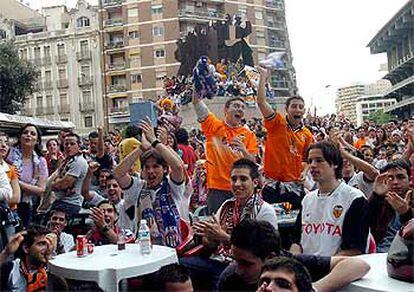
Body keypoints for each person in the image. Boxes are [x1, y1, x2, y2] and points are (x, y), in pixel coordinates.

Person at [181, 159, 277, 290]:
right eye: (234, 179)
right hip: (217, 259)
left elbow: (262, 252)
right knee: (179, 268)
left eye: (243, 179)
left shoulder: (265, 210)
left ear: (255, 182)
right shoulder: (227, 205)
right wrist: (210, 236)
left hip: (241, 265)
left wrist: (223, 237)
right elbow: (209, 245)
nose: (237, 184)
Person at [218, 219, 370, 292]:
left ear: (270, 258)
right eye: (235, 261)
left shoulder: (293, 266)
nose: (238, 269)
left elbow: (358, 265)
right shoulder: (230, 278)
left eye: (282, 284)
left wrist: (313, 289)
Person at [114, 120, 187, 247]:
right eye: (146, 167)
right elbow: (118, 173)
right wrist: (141, 148)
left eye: (155, 166)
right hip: (142, 248)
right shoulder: (138, 187)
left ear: (164, 169)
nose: (150, 171)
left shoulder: (172, 185)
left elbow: (178, 167)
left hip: (170, 249)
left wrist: (155, 142)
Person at [290, 141, 369, 256]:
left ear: (335, 164)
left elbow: (354, 250)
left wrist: (323, 266)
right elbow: (296, 241)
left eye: (319, 160)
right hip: (306, 267)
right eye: (310, 161)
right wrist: (296, 261)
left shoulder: (354, 198)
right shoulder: (307, 199)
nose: (312, 165)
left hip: (337, 268)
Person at [192, 92, 258, 214]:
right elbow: (196, 103)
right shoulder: (213, 126)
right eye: (236, 106)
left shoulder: (249, 135)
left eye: (243, 107)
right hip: (217, 189)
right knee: (218, 226)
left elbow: (253, 163)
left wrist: (243, 149)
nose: (240, 109)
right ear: (226, 110)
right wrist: (197, 85)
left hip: (242, 187)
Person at [6, 124, 48, 228]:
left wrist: (16, 182)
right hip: (6, 202)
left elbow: (41, 190)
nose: (28, 135)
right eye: (25, 133)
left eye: (32, 134)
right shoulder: (8, 154)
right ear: (20, 137)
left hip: (26, 205)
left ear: (37, 140)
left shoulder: (40, 162)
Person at [0, 227, 68, 291]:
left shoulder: (49, 268)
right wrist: (6, 253)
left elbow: (64, 288)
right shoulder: (11, 268)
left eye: (48, 244)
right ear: (26, 248)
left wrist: (49, 261)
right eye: (41, 244)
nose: (47, 248)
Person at [369, 159, 414, 252]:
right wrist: (376, 196)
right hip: (378, 254)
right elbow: (364, 223)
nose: (395, 182)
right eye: (390, 178)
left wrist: (406, 213)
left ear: (410, 179)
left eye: (400, 177)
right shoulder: (382, 200)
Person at [50, 132, 88, 215]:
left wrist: (53, 184)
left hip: (70, 204)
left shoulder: (78, 162)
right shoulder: (67, 160)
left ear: (78, 145)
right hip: (61, 201)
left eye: (72, 144)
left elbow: (63, 184)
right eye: (66, 144)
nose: (68, 146)